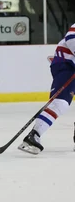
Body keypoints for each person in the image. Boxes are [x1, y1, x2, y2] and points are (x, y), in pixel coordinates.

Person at [18, 26, 75, 154]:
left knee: (61, 103)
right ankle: (33, 136)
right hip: (67, 65)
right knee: (60, 103)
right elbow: (71, 37)